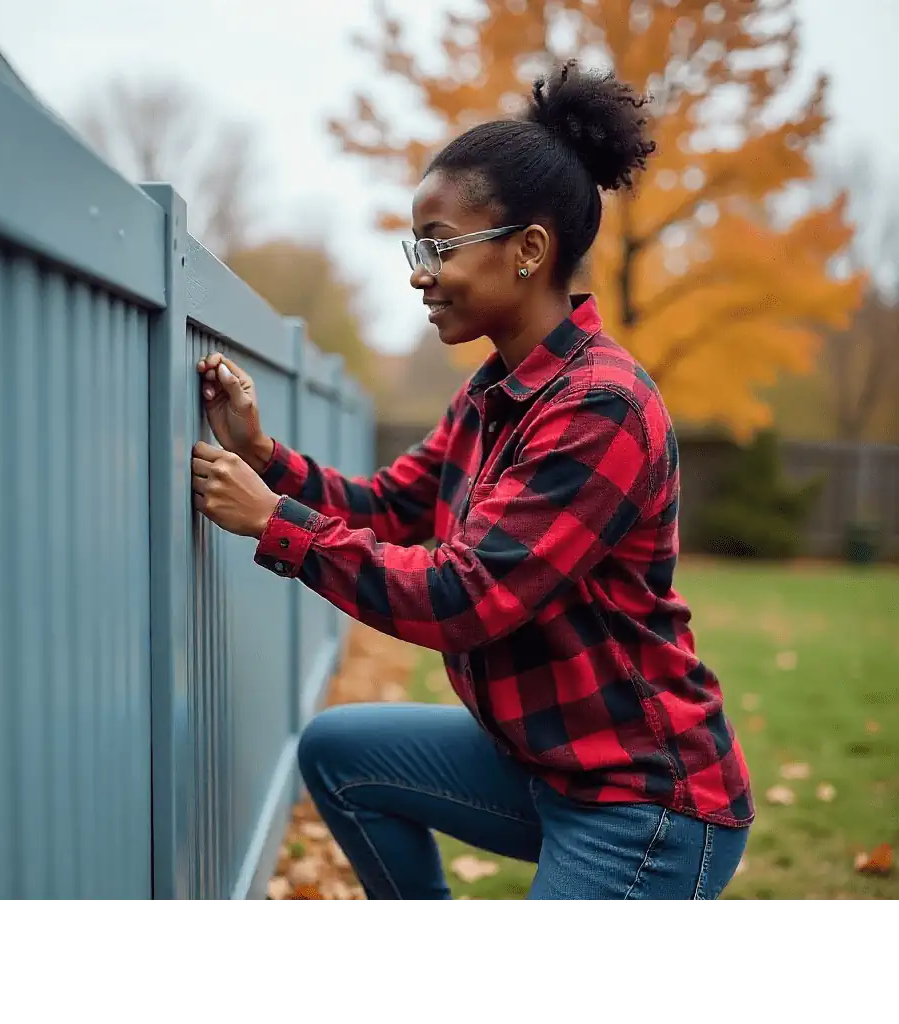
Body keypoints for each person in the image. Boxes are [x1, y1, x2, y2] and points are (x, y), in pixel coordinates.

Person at [190, 59, 754, 902]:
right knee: (339, 756)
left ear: (529, 249)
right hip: (542, 763)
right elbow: (391, 507)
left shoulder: (602, 408)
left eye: (438, 245)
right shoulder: (494, 392)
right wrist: (268, 459)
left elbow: (466, 596)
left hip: (644, 803)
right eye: (414, 246)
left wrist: (276, 522)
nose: (418, 273)